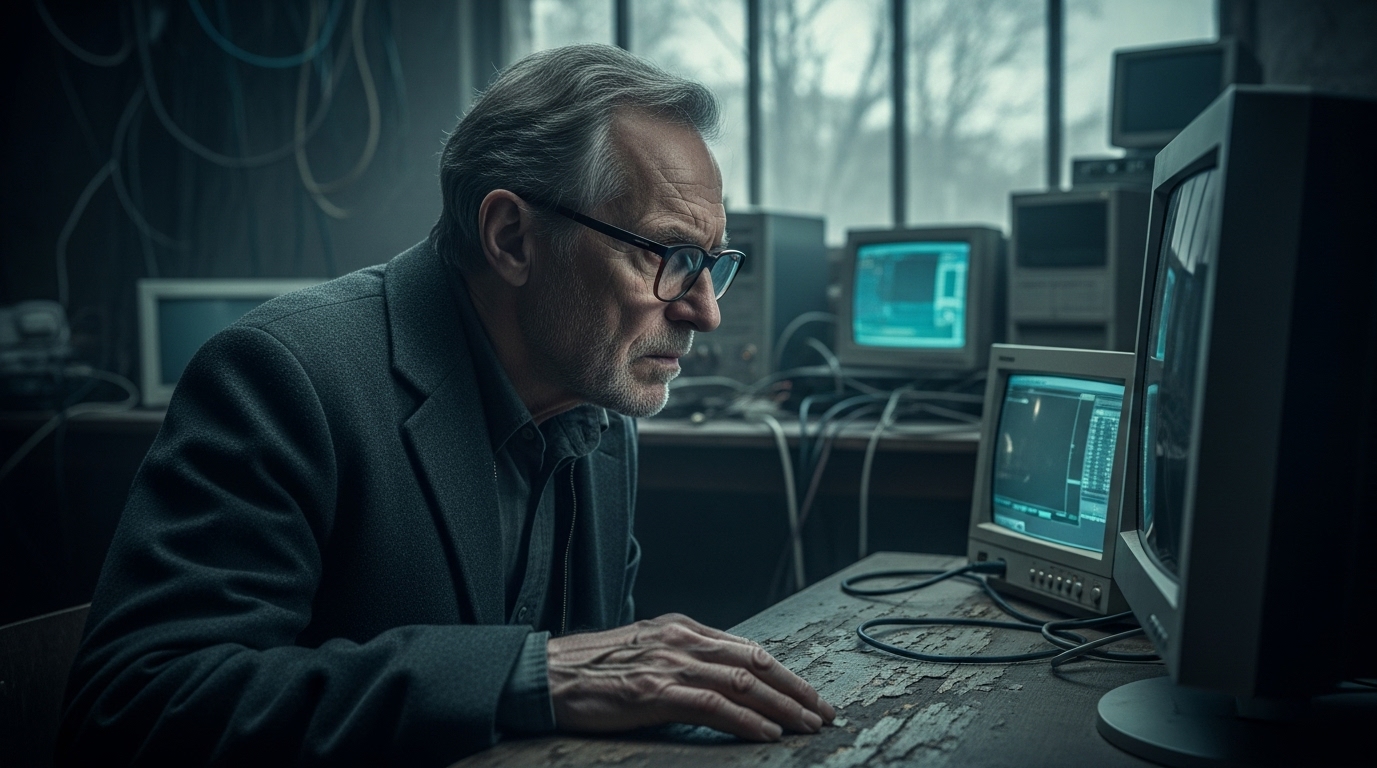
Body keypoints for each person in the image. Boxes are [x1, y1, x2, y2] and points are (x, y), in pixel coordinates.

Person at [57, 44, 835, 766]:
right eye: (669, 257)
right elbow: (133, 706)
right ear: (511, 238)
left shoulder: (597, 410)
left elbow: (597, 692)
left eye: (713, 264)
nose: (705, 312)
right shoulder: (283, 375)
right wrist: (522, 677)